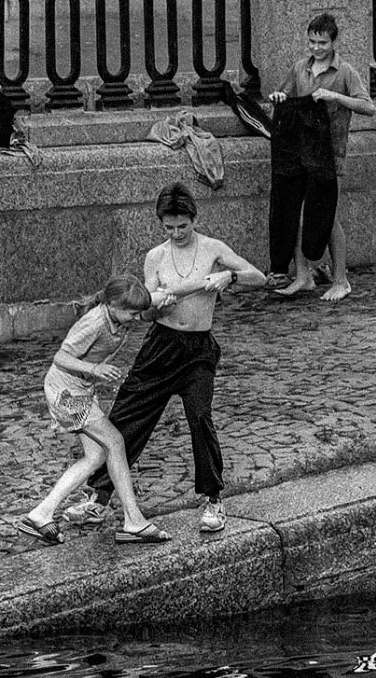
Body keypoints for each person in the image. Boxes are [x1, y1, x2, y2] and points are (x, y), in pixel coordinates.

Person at [64, 182, 266, 533]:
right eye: (169, 227)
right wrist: (156, 307)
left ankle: (213, 499)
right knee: (127, 416)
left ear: (193, 220)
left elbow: (259, 277)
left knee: (200, 417)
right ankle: (98, 498)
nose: (176, 233)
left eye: (182, 226)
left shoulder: (213, 248)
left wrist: (228, 276)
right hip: (161, 346)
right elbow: (144, 313)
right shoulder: (155, 257)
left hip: (197, 350)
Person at [17, 274, 172, 546]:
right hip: (66, 393)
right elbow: (60, 357)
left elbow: (153, 300)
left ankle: (41, 513)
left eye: (139, 313)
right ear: (113, 305)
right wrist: (95, 369)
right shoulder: (94, 322)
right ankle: (133, 520)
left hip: (79, 391)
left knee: (96, 456)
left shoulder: (120, 310)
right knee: (115, 442)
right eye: (132, 313)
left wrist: (175, 293)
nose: (137, 319)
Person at [268, 12, 376, 302]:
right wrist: (278, 98)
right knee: (295, 212)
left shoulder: (345, 72)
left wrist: (334, 97)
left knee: (327, 217)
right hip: (300, 152)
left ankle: (341, 280)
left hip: (331, 154)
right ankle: (303, 276)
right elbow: (284, 96)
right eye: (312, 42)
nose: (316, 48)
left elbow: (369, 107)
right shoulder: (299, 68)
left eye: (322, 43)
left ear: (333, 42)